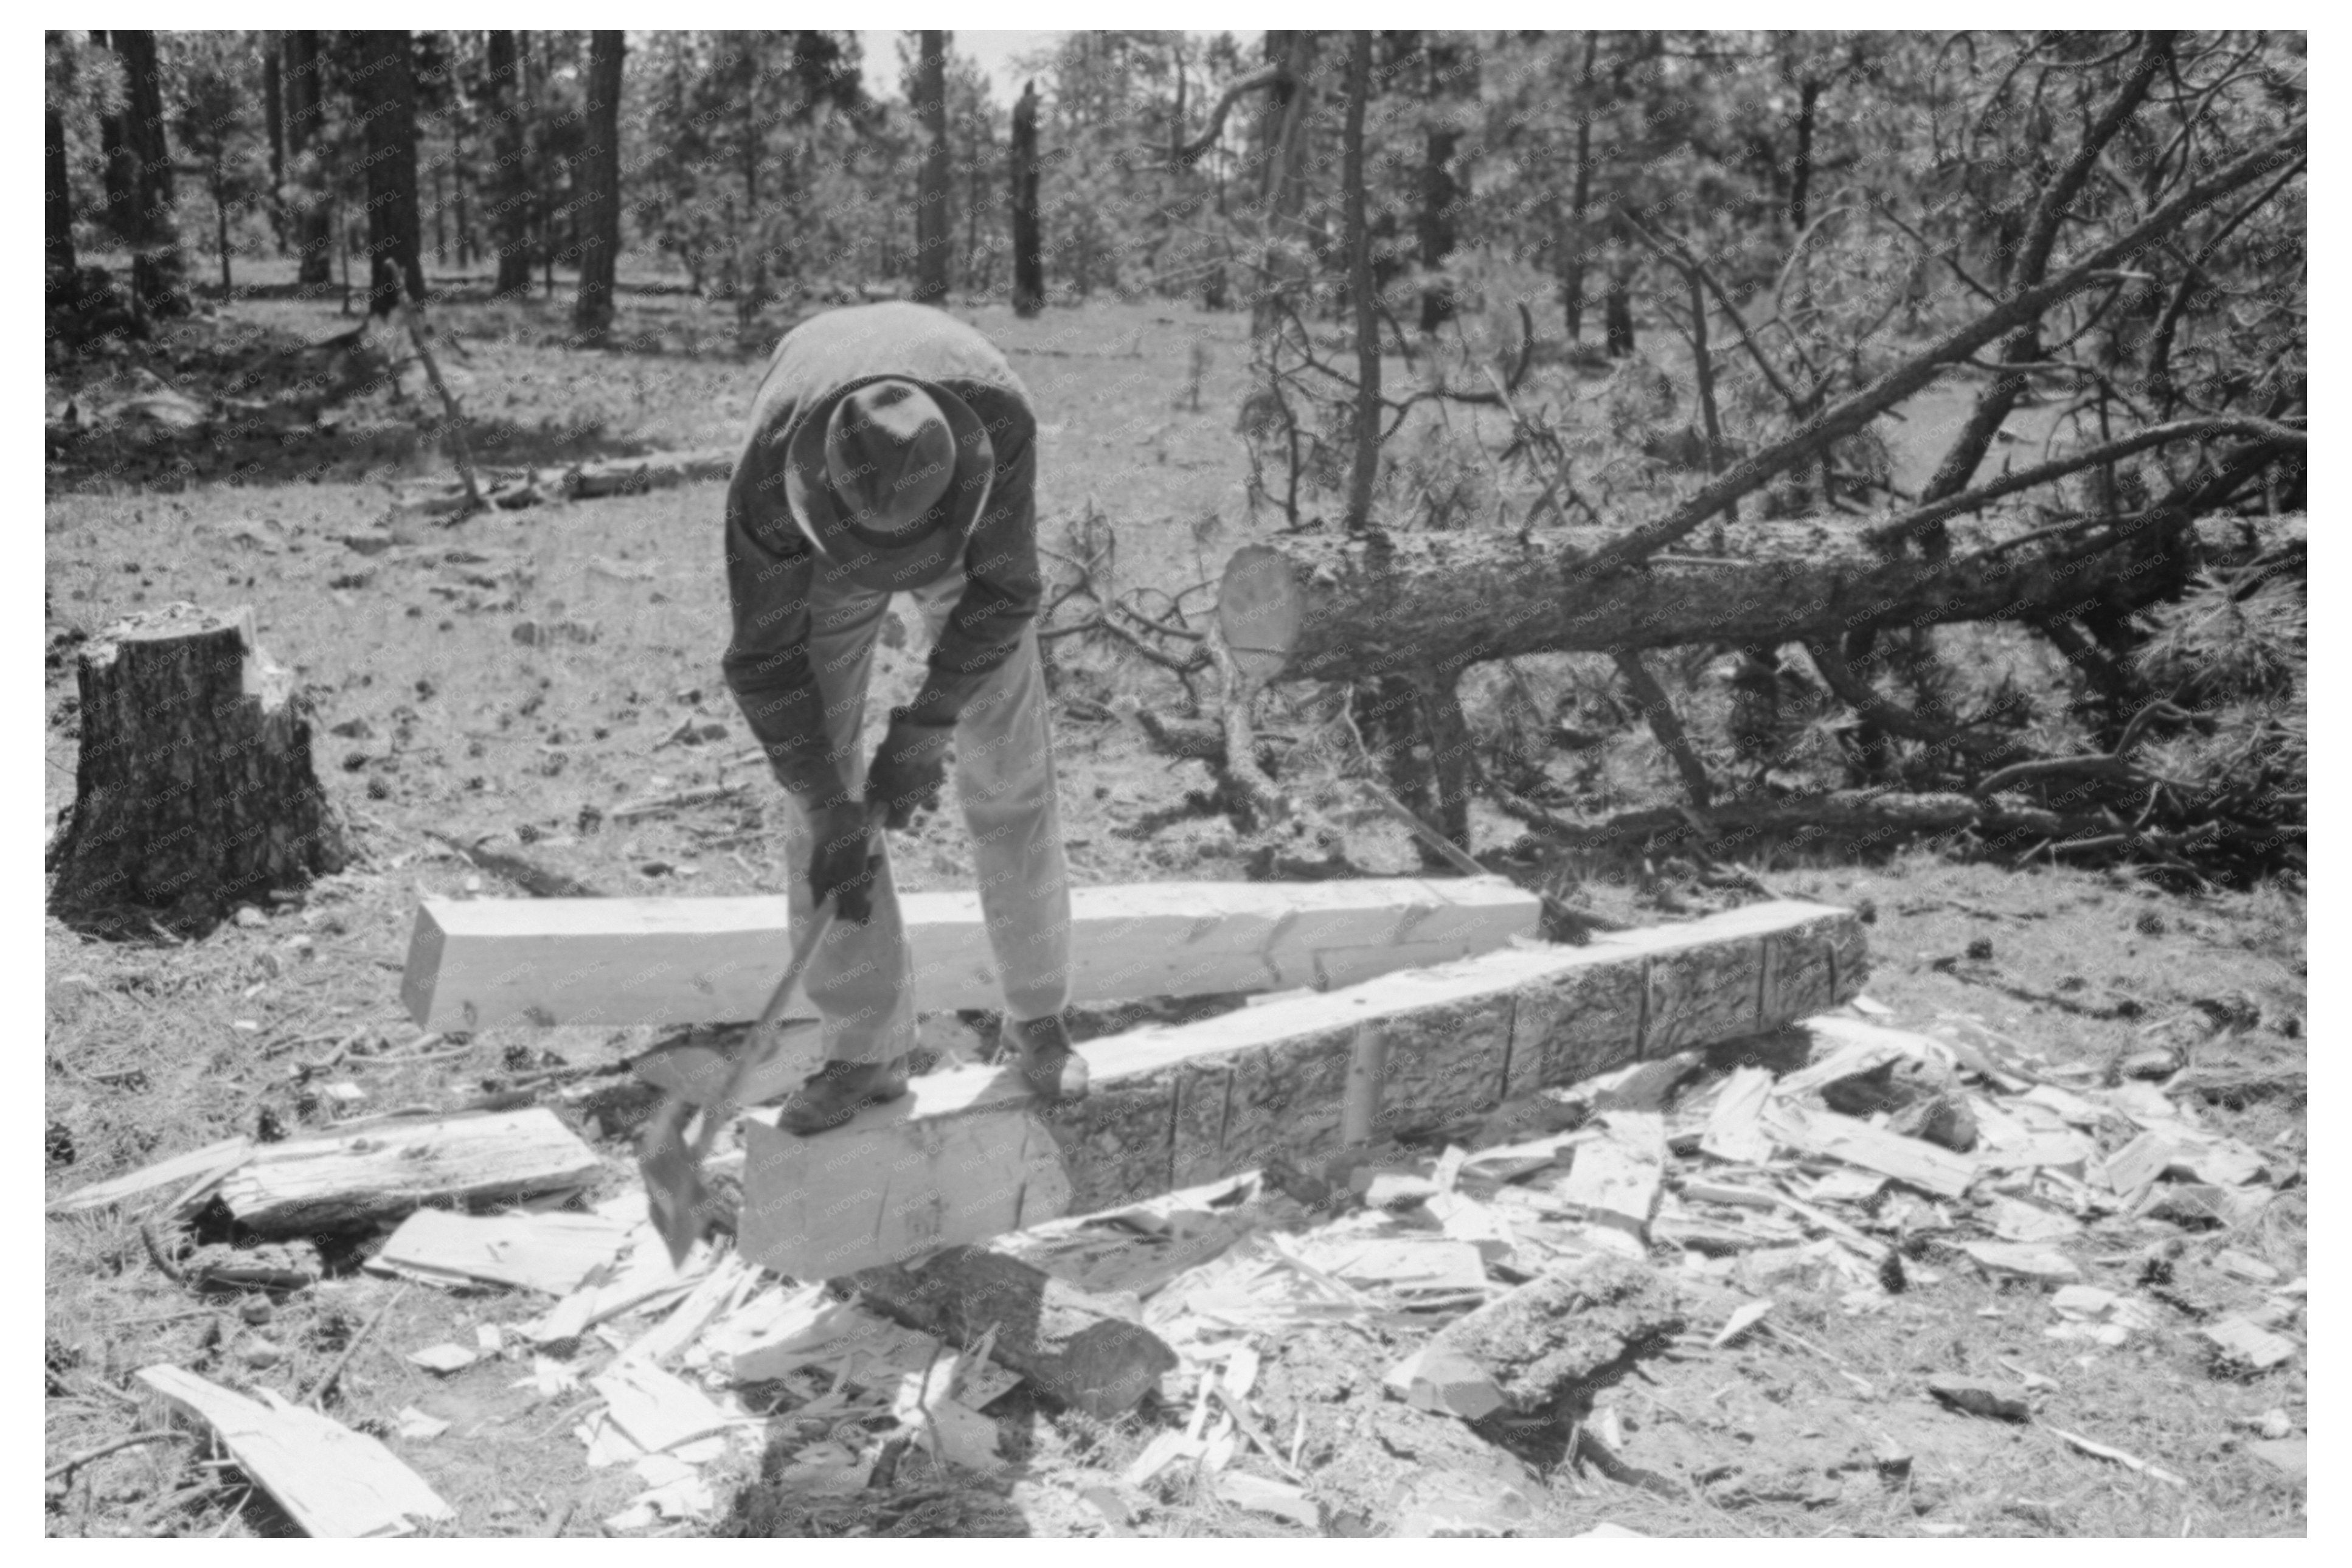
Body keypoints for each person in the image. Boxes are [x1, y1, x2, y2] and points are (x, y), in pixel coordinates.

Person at [720, 302, 1086, 1134]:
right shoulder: (773, 476)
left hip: (961, 532)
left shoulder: (996, 419)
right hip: (821, 549)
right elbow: (765, 663)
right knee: (817, 794)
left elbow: (1003, 597)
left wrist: (927, 727)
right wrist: (831, 807)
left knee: (1010, 764)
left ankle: (1039, 1019)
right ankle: (865, 1051)